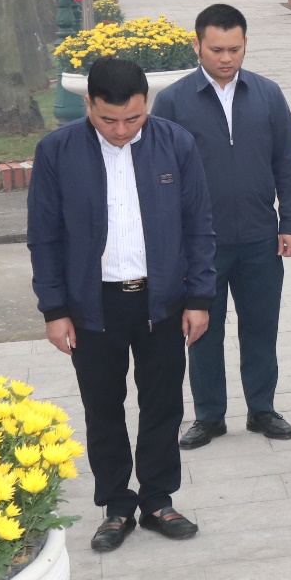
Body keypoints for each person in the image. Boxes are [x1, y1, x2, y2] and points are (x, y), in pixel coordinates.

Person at [27, 57, 215, 553]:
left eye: (132, 119)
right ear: (87, 104)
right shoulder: (56, 151)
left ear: (145, 104)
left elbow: (199, 226)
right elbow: (44, 237)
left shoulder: (176, 143)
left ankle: (157, 499)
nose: (120, 129)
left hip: (163, 301)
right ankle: (115, 505)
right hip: (93, 307)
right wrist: (54, 309)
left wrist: (199, 297)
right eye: (108, 119)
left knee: (163, 403)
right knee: (102, 408)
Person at [151, 4, 291, 451]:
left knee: (261, 326)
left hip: (259, 237)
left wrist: (289, 220)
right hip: (201, 245)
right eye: (216, 49)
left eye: (235, 49)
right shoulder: (174, 101)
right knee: (202, 329)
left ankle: (262, 408)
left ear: (245, 45)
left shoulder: (268, 94)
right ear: (196, 45)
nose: (226, 58)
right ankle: (208, 416)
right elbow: (160, 175)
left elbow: (287, 163)